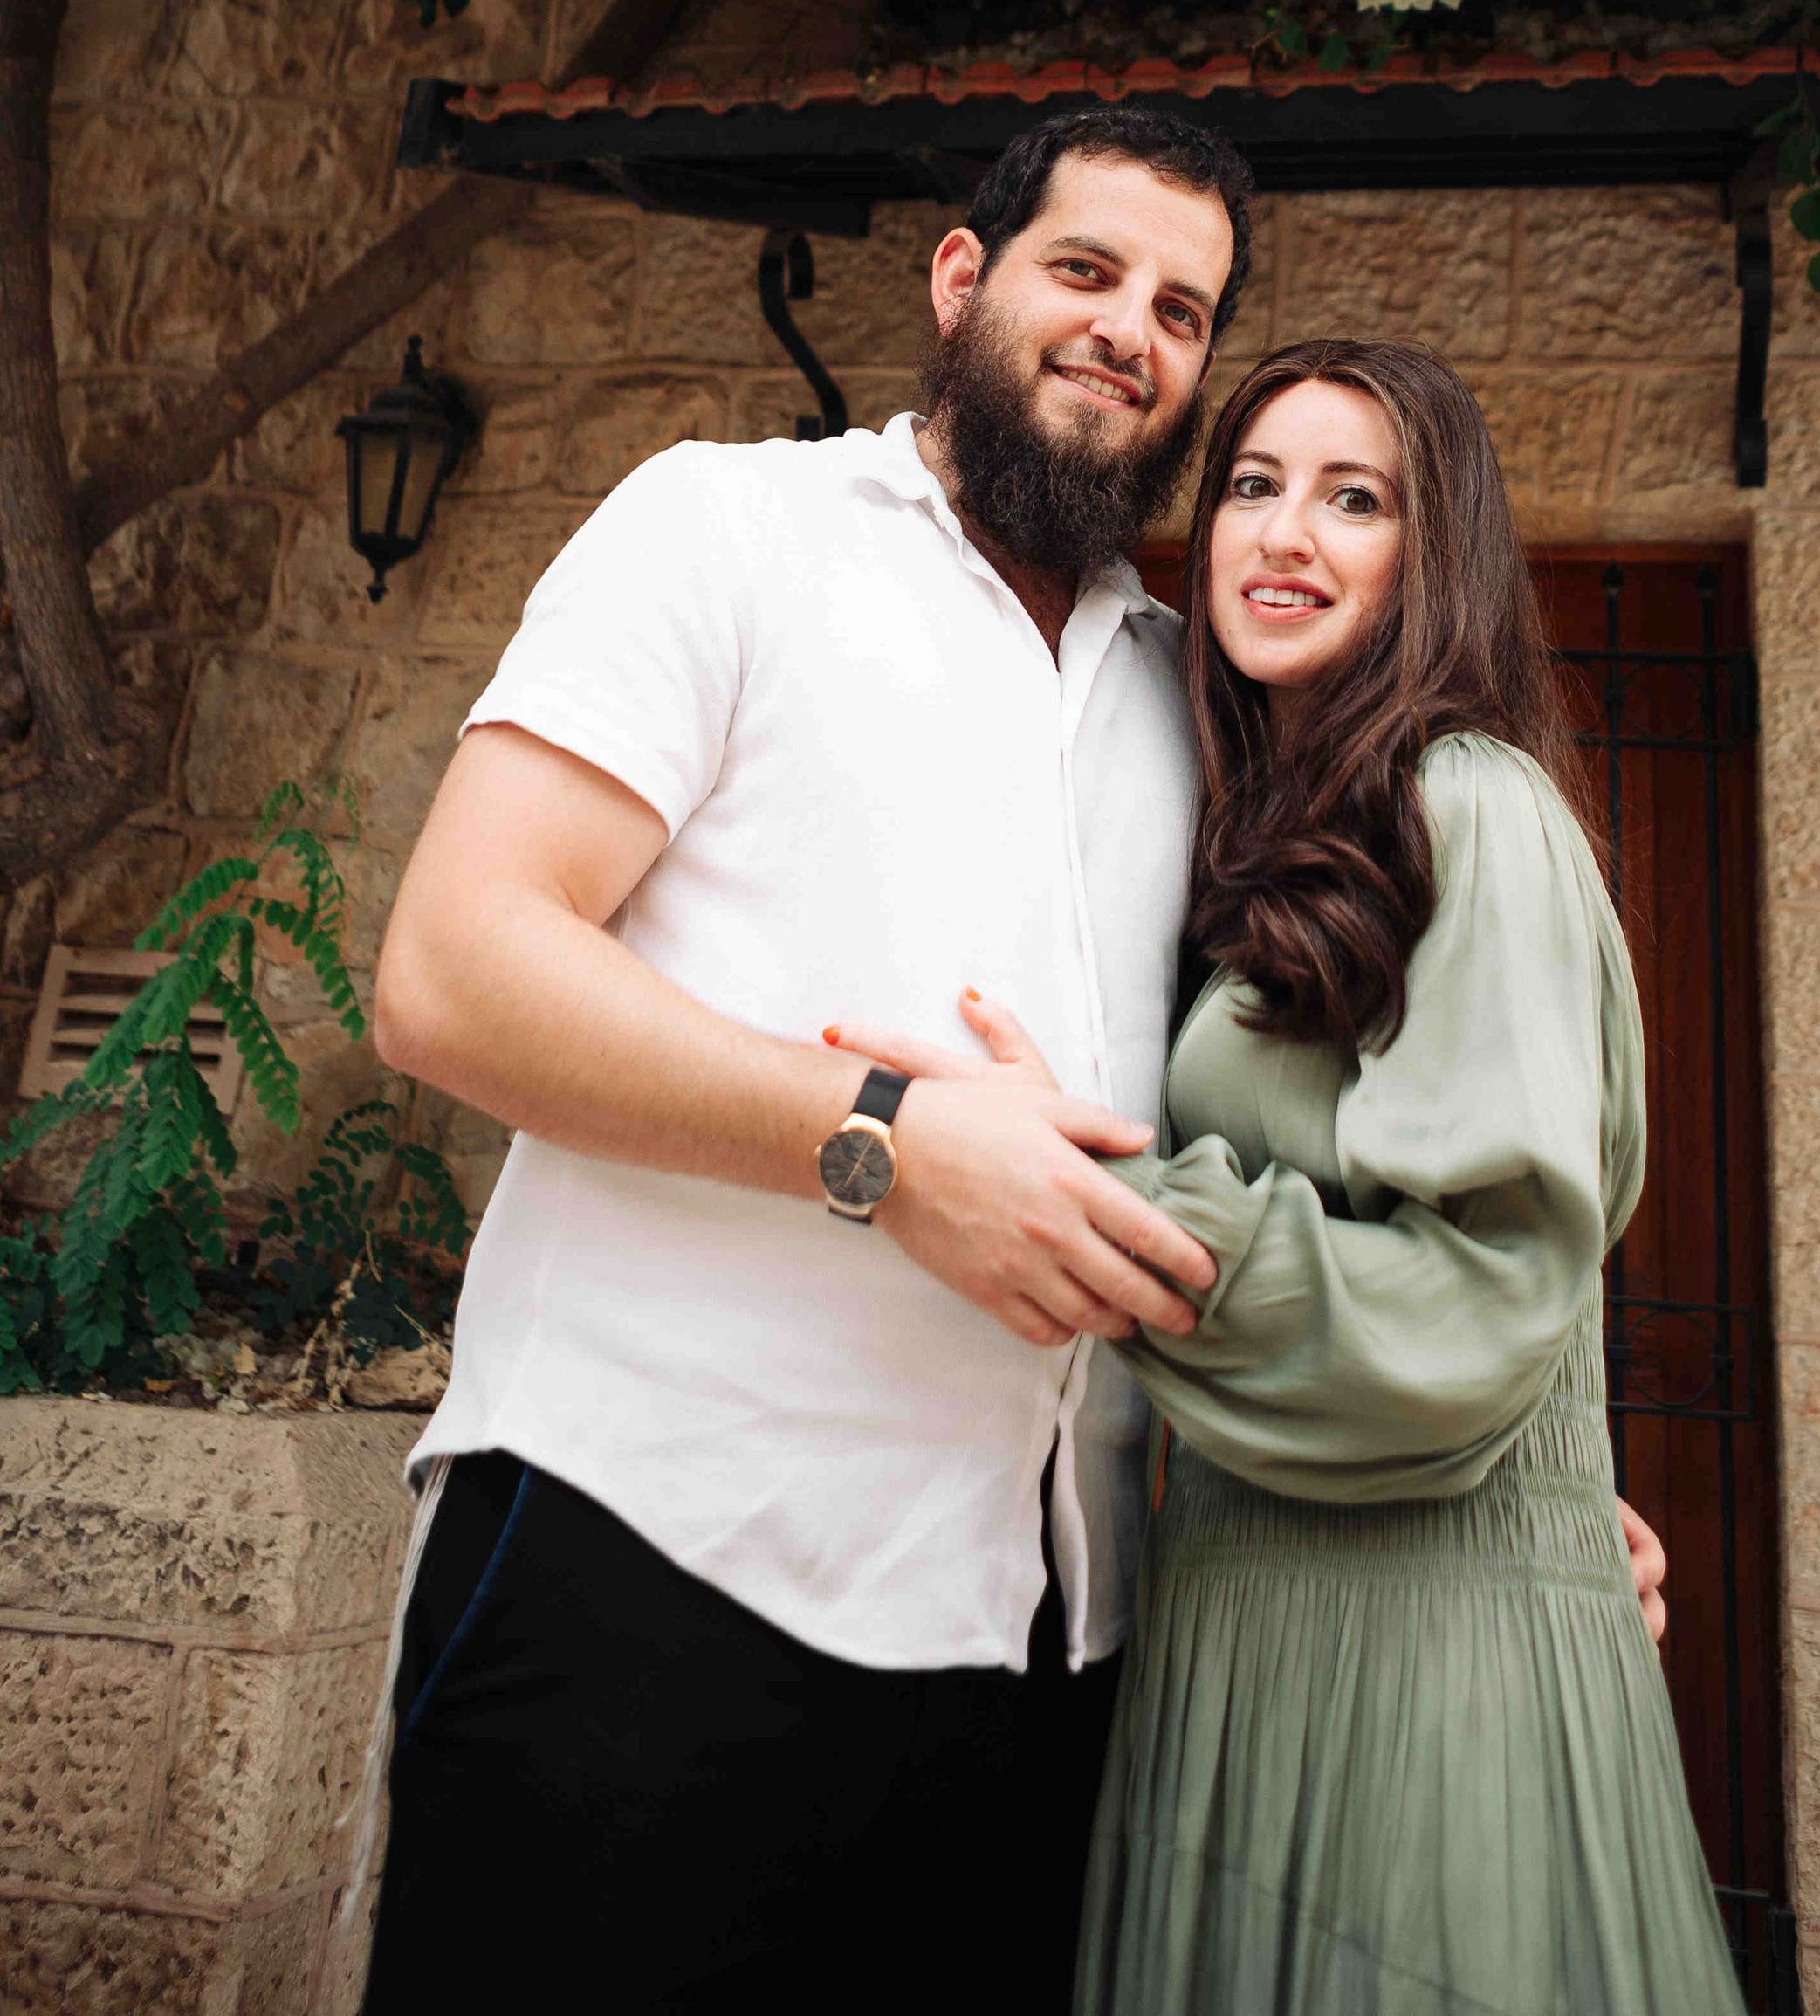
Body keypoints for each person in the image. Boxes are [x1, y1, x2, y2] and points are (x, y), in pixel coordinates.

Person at [367, 108, 1668, 2010]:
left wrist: (1494, 1479)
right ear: (961, 279)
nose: (1128, 328)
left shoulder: (1193, 694)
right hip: (655, 1570)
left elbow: (1363, 1146)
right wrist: (877, 1139)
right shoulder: (725, 524)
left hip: (1058, 1661)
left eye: (1178, 306)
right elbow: (453, 973)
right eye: (1084, 271)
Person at [829, 338, 1737, 2016]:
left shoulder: (1471, 808)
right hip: (1237, 1615)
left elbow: (1481, 1295)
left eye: (1356, 499)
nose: (1284, 534)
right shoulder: (1259, 834)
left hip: (1414, 1657)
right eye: (1252, 486)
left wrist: (1095, 1195)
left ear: (1432, 554)